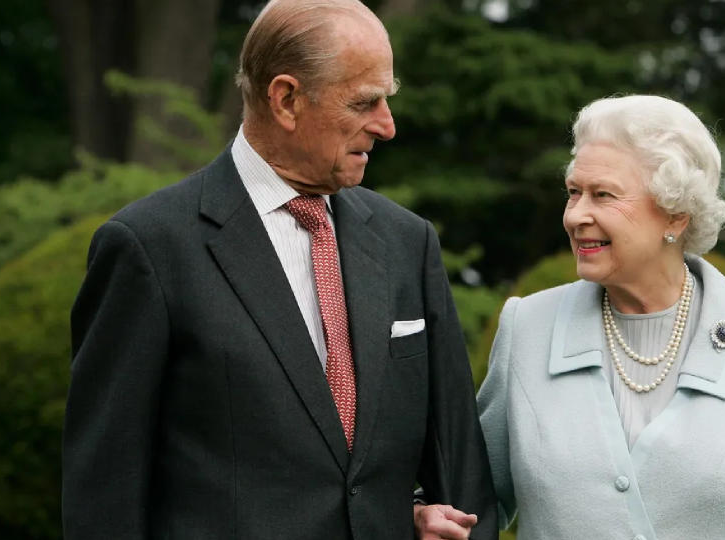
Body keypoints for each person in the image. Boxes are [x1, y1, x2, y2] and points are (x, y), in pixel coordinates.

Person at [62, 1, 497, 538]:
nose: (386, 125)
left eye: (388, 99)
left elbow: (459, 473)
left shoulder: (408, 241)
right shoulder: (148, 248)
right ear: (286, 99)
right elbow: (104, 496)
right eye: (365, 101)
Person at [420, 95, 725, 539]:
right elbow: (471, 500)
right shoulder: (528, 328)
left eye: (603, 196)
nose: (577, 215)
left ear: (675, 216)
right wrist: (423, 515)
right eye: (574, 192)